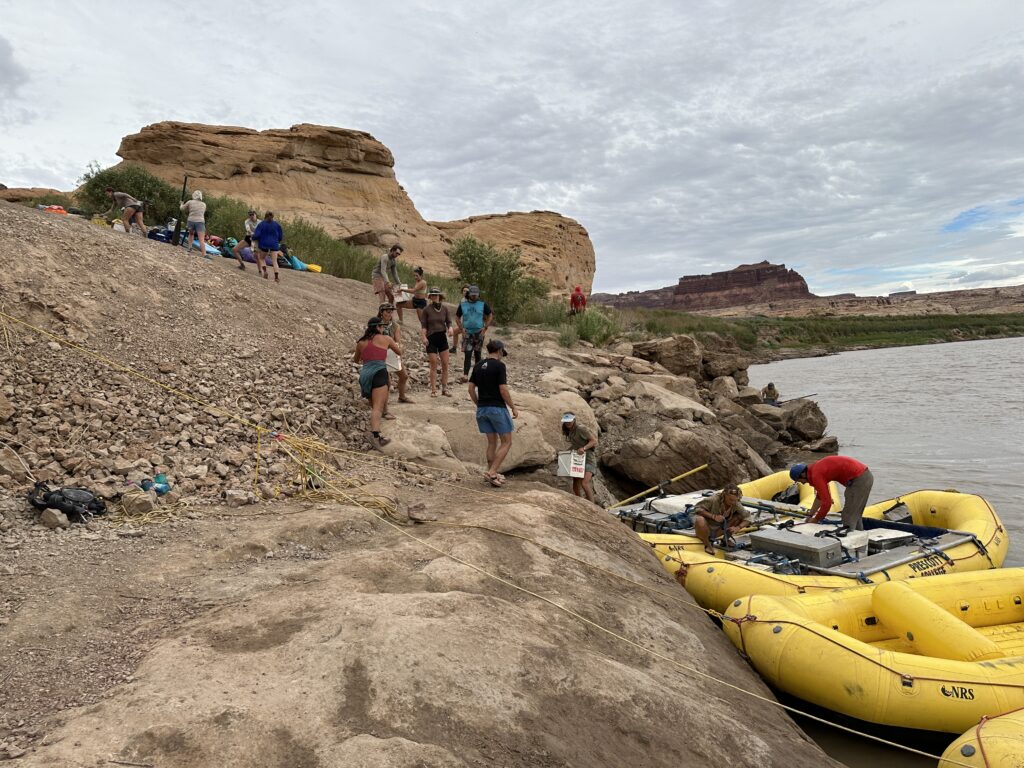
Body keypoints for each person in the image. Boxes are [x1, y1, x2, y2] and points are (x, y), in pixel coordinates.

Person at [468, 339, 518, 487]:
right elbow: (503, 389)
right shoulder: (499, 366)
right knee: (507, 442)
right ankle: (492, 472)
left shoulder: (477, 365)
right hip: (497, 408)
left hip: (482, 409)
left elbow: (470, 389)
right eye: (503, 352)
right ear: (500, 350)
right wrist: (513, 407)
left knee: (491, 442)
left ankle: (490, 472)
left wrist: (479, 403)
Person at [353, 317, 402, 449]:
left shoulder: (361, 342)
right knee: (377, 408)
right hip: (379, 372)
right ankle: (376, 437)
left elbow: (356, 360)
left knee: (373, 405)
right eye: (382, 327)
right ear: (379, 327)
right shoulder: (386, 339)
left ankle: (374, 430)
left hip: (365, 374)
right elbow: (399, 352)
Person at [790, 456, 874, 530]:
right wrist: (810, 515)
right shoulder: (815, 470)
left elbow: (827, 503)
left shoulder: (816, 475)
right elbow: (819, 497)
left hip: (859, 479)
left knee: (848, 515)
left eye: (800, 481)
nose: (803, 483)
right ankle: (860, 541)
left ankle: (850, 544)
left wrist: (815, 520)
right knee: (855, 515)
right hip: (863, 476)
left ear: (803, 475)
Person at [692, 484, 748, 555]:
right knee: (700, 519)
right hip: (706, 528)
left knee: (739, 516)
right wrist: (713, 516)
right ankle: (707, 544)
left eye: (735, 500)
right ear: (725, 495)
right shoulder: (713, 500)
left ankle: (725, 540)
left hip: (719, 529)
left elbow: (748, 517)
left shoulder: (736, 504)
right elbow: (697, 509)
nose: (732, 502)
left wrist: (738, 527)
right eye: (730, 500)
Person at [456, 285, 493, 382]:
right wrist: (461, 328)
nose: (474, 297)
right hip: (467, 332)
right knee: (468, 354)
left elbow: (490, 315)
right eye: (472, 295)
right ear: (469, 294)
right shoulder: (463, 305)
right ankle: (465, 375)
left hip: (479, 332)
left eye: (476, 295)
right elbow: (457, 317)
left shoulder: (482, 304)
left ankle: (477, 375)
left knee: (478, 354)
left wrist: (485, 327)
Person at [420, 287, 452, 397]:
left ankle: (444, 388)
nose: (434, 297)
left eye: (435, 295)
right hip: (431, 337)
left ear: (439, 296)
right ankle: (433, 390)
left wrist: (450, 329)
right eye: (432, 295)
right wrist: (423, 337)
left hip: (442, 337)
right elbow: (424, 325)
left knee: (445, 364)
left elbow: (449, 322)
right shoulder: (426, 309)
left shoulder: (445, 309)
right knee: (433, 363)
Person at [377, 303, 412, 403]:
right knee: (387, 381)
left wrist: (399, 348)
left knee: (404, 376)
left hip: (391, 352)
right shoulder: (377, 324)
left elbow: (397, 341)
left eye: (391, 311)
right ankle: (383, 405)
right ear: (381, 312)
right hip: (380, 353)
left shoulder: (395, 325)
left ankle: (402, 396)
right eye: (388, 311)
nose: (390, 313)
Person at [560, 412, 598, 502]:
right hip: (578, 460)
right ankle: (580, 503)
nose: (568, 423)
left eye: (569, 421)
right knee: (575, 483)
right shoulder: (569, 431)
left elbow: (593, 441)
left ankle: (592, 506)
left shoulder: (581, 429)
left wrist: (584, 448)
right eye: (566, 421)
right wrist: (564, 453)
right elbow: (575, 445)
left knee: (584, 483)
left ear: (574, 420)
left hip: (589, 459)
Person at [252, 211, 284, 283]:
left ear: (265, 216)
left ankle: (265, 271)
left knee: (261, 258)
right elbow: (280, 237)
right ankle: (276, 277)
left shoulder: (261, 224)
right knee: (274, 261)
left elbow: (257, 235)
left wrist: (253, 238)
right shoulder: (277, 225)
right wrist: (277, 241)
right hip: (274, 244)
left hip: (264, 244)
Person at [371, 244, 403, 310]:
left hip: (384, 278)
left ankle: (389, 313)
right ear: (392, 250)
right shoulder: (385, 257)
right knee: (382, 294)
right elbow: (383, 270)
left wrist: (399, 284)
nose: (397, 255)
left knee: (391, 296)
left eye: (399, 254)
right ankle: (381, 315)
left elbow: (395, 274)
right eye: (397, 253)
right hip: (377, 276)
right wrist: (388, 282)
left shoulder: (393, 261)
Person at [180, 190, 209, 259]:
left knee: (191, 234)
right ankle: (204, 253)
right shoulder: (204, 204)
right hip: (200, 222)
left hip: (191, 221)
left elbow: (182, 209)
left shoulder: (190, 202)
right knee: (201, 239)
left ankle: (189, 248)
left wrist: (181, 203)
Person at [450, 284, 470, 354]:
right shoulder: (462, 300)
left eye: (467, 291)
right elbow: (459, 312)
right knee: (455, 333)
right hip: (463, 323)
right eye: (464, 291)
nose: (465, 292)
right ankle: (454, 348)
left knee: (466, 339)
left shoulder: (471, 301)